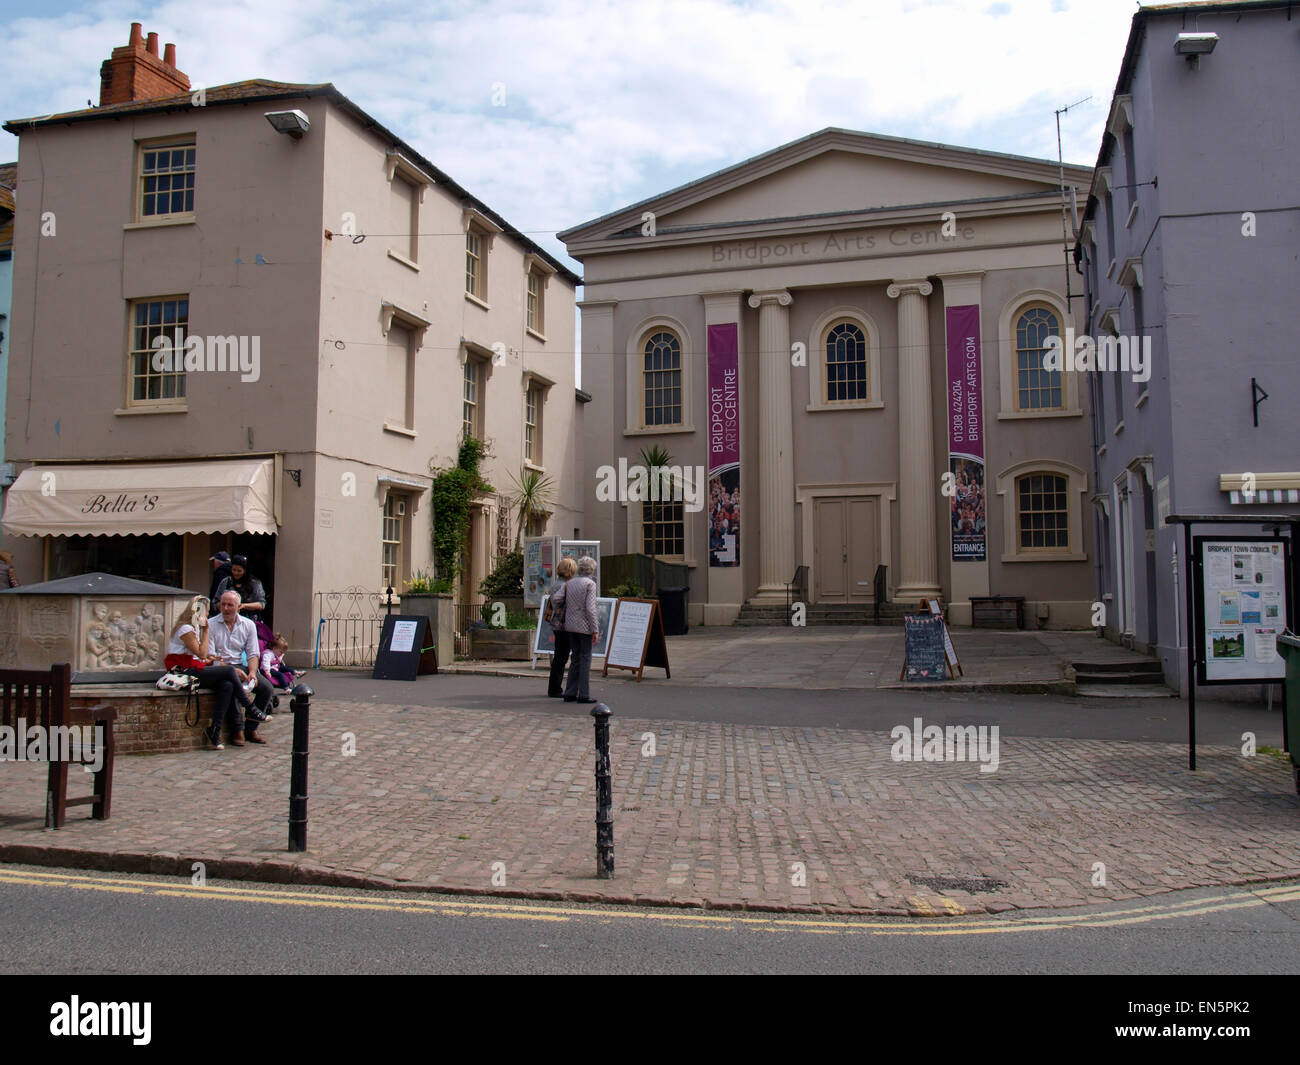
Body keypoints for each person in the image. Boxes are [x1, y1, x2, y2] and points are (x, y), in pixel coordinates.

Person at [163, 595, 259, 750]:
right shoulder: (185, 628)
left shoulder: (194, 628)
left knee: (227, 685)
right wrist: (207, 630)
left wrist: (209, 658)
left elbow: (201, 656)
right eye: (206, 612)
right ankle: (249, 707)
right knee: (228, 670)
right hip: (183, 672)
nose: (208, 616)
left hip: (194, 668)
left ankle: (214, 729)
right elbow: (201, 653)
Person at [207, 589, 275, 743]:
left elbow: (252, 653)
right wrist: (231, 670)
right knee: (229, 684)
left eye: (230, 605)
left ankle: (251, 728)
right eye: (223, 605)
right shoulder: (211, 624)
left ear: (238, 607)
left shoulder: (248, 625)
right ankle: (237, 730)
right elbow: (210, 656)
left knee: (267, 688)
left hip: (240, 664)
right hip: (220, 666)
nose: (225, 609)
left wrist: (252, 672)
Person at [561, 556, 599, 704]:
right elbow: (590, 609)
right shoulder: (590, 584)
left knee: (575, 658)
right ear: (591, 569)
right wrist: (594, 629)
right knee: (585, 658)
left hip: (570, 625)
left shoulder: (570, 583)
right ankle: (584, 694)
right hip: (584, 626)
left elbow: (557, 598)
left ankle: (570, 692)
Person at [546, 557, 578, 698]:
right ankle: (555, 688)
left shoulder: (556, 584)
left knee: (560, 656)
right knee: (561, 657)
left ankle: (554, 687)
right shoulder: (564, 585)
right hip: (563, 624)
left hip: (557, 623)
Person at [214, 554, 269, 627]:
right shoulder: (226, 582)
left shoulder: (255, 584)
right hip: (227, 622)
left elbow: (261, 604)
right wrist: (227, 607)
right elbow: (215, 601)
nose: (236, 573)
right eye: (234, 570)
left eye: (239, 571)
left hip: (250, 621)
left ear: (245, 571)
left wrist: (243, 606)